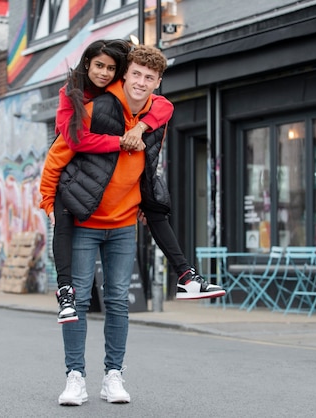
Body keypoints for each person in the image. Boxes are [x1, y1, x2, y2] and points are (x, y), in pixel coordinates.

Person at [45, 40, 225, 324]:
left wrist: (140, 127)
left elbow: (165, 105)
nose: (104, 73)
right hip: (75, 187)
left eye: (110, 68)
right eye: (99, 66)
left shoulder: (148, 106)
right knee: (62, 218)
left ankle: (186, 276)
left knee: (156, 205)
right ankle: (65, 291)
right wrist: (47, 204)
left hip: (121, 209)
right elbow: (68, 145)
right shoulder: (79, 99)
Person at [39, 44, 175, 406]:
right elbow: (58, 155)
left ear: (157, 82)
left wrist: (147, 202)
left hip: (123, 226)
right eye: (136, 74)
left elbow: (164, 110)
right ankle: (75, 377)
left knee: (118, 301)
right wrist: (48, 203)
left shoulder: (153, 113)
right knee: (78, 301)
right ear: (124, 75)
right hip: (84, 222)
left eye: (150, 78)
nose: (142, 82)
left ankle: (113, 376)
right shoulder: (94, 110)